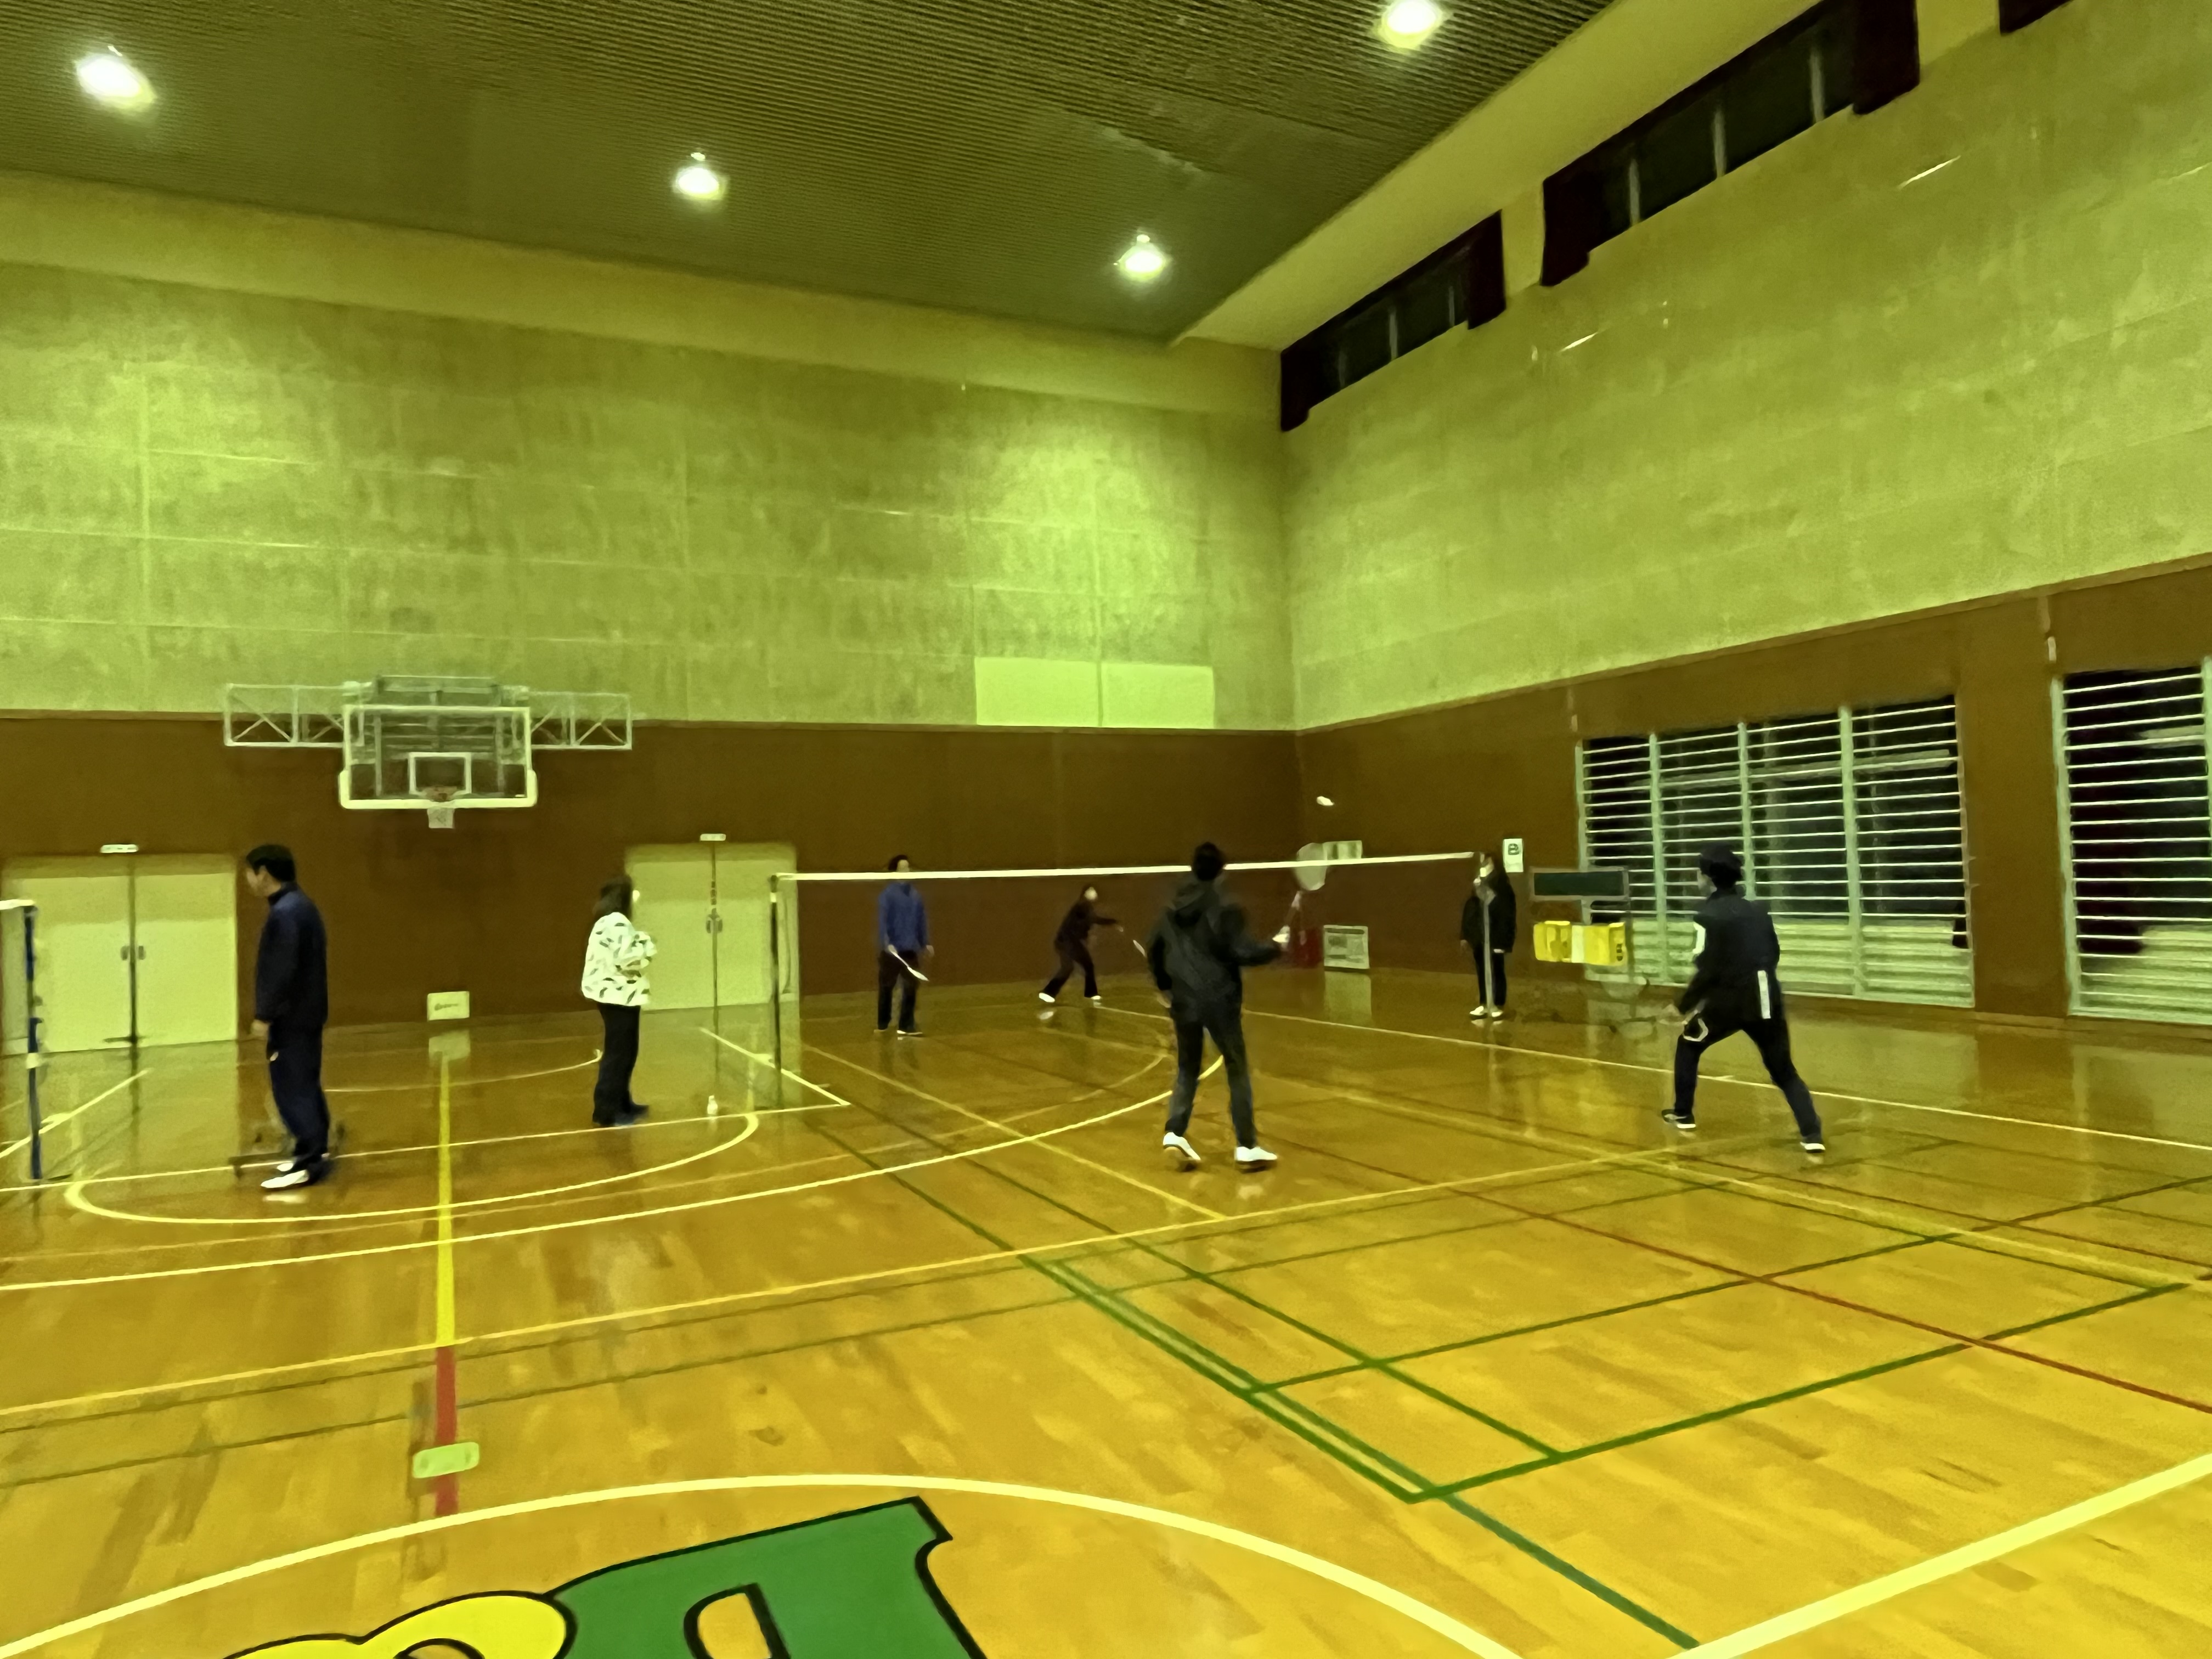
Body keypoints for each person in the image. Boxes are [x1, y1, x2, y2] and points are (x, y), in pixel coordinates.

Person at [1661, 842, 1825, 1154]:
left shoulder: (1706, 916)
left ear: (1708, 878)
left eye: (1698, 873)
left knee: (1689, 1043)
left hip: (1728, 1004)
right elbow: (1773, 954)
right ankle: (1812, 1134)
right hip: (1767, 1000)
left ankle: (1683, 1114)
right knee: (1783, 1069)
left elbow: (1708, 970)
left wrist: (1681, 1005)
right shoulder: (1759, 911)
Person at [1147, 843, 1290, 1172]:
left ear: (1193, 867)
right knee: (1236, 1067)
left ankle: (1174, 1132)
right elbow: (1241, 952)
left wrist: (1166, 986)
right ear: (1221, 871)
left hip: (1184, 999)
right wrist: (1275, 947)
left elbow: (1154, 949)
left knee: (1187, 1068)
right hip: (1220, 999)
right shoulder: (1226, 907)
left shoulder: (1170, 909)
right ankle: (1247, 1146)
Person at [244, 844, 332, 1192]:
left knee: (293, 1089)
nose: (247, 880)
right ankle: (315, 1150)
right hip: (307, 1014)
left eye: (250, 872)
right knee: (306, 1084)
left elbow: (280, 970)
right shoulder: (302, 906)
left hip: (292, 1018)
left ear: (264, 873)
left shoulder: (286, 913)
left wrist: (264, 1015)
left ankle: (308, 1163)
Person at [582, 877, 656, 1126]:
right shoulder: (616, 922)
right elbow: (629, 959)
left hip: (618, 996)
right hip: (618, 997)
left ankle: (623, 1103)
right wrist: (647, 944)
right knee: (619, 1054)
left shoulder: (609, 921)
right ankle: (607, 1111)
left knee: (626, 1052)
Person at [877, 854, 930, 1037]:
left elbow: (921, 921)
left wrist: (925, 942)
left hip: (910, 950)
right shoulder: (887, 895)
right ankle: (883, 1024)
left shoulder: (915, 896)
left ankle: (906, 1025)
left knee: (911, 986)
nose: (907, 871)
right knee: (887, 988)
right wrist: (886, 943)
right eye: (903, 868)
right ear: (895, 871)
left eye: (908, 867)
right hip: (891, 951)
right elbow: (883, 921)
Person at [1461, 851, 1517, 1019]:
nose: (1484, 866)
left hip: (1495, 938)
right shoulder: (1478, 886)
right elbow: (1471, 910)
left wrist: (1504, 941)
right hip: (1480, 938)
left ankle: (1497, 1004)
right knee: (1482, 971)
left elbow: (1505, 914)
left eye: (1487, 862)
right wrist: (1467, 934)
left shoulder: (1503, 888)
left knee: (1497, 970)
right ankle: (1485, 1003)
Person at [1040, 885, 1116, 1004]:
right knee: (1081, 966)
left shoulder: (1084, 907)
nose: (1094, 893)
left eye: (1094, 891)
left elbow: (1090, 920)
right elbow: (1092, 919)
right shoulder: (1082, 906)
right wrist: (1112, 922)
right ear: (1085, 894)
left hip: (1066, 942)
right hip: (1068, 942)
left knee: (1076, 967)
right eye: (1091, 891)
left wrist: (1111, 923)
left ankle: (1050, 992)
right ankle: (1089, 993)